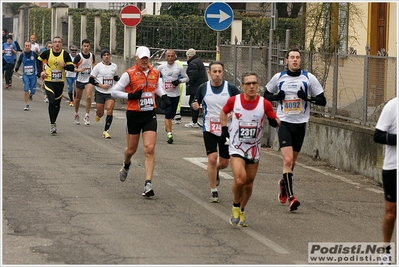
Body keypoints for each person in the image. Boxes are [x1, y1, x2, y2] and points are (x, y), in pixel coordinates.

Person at [264, 48, 327, 212]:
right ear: (286, 60)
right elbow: (266, 95)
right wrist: (277, 97)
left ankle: (283, 184)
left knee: (293, 163)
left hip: (300, 123)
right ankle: (292, 197)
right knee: (287, 161)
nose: (295, 60)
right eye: (292, 57)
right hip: (283, 122)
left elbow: (323, 100)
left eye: (297, 57)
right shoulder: (279, 77)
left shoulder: (308, 77)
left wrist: (307, 97)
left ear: (300, 60)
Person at [220, 71, 280, 226]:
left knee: (248, 183)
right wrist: (224, 128)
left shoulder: (264, 103)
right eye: (248, 84)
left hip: (253, 149)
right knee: (239, 180)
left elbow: (273, 117)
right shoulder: (235, 101)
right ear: (243, 86)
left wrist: (275, 122)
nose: (252, 86)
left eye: (254, 83)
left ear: (258, 85)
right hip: (236, 148)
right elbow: (223, 112)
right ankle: (235, 205)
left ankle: (242, 209)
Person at [111, 46, 170, 197]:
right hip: (134, 114)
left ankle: (148, 184)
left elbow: (157, 87)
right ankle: (126, 164)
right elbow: (114, 91)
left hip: (149, 114)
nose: (144, 61)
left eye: (146, 58)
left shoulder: (155, 73)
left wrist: (163, 96)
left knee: (149, 148)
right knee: (131, 150)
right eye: (141, 58)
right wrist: (130, 96)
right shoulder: (129, 74)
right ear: (136, 58)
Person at [192, 61, 241, 203]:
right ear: (209, 73)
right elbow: (196, 102)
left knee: (224, 162)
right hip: (210, 128)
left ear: (223, 73)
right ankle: (214, 190)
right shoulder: (203, 88)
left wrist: (234, 112)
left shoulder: (230, 88)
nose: (217, 74)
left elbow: (240, 103)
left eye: (220, 71)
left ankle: (216, 171)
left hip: (227, 129)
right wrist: (195, 106)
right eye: (214, 71)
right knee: (212, 158)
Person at [373, 97, 397, 265]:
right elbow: (378, 135)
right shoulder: (393, 106)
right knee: (391, 213)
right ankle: (386, 251)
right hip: (393, 167)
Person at [37, 36, 74, 134]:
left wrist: (65, 66)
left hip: (60, 82)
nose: (57, 44)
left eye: (59, 42)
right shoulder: (47, 53)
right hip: (49, 80)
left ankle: (54, 122)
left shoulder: (65, 54)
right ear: (52, 44)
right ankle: (52, 123)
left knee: (57, 105)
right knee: (52, 102)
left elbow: (72, 67)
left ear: (61, 44)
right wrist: (40, 72)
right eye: (55, 42)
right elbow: (38, 60)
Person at [157, 49, 189, 143]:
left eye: (172, 56)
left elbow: (186, 78)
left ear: (175, 57)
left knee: (172, 114)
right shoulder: (161, 67)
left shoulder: (178, 68)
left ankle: (167, 125)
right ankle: (169, 134)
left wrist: (179, 81)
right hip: (165, 94)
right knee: (167, 113)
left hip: (176, 94)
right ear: (166, 57)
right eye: (168, 56)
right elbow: (154, 76)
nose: (170, 58)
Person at [89, 49, 119, 139]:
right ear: (102, 57)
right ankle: (98, 114)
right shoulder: (98, 67)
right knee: (101, 113)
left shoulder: (114, 66)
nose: (106, 56)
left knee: (110, 109)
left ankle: (106, 131)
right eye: (105, 55)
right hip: (100, 91)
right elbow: (91, 80)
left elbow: (115, 77)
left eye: (108, 55)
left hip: (110, 91)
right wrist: (101, 85)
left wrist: (121, 79)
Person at [73, 39, 96, 126]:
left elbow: (94, 64)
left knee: (89, 97)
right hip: (79, 79)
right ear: (82, 46)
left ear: (89, 46)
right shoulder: (78, 57)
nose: (86, 48)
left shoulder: (92, 56)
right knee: (78, 98)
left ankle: (87, 116)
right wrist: (79, 69)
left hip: (88, 80)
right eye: (84, 46)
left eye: (87, 46)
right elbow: (73, 68)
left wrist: (95, 71)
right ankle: (76, 113)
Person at [184, 48, 207, 128]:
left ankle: (194, 121)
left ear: (189, 56)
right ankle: (195, 121)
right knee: (195, 103)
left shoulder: (193, 63)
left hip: (195, 87)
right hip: (199, 86)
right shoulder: (198, 61)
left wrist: (189, 83)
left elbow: (193, 76)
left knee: (193, 103)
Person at [14, 41, 39, 111]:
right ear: (24, 46)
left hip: (33, 75)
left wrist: (39, 71)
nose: (27, 47)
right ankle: (27, 104)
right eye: (26, 46)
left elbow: (39, 62)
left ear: (30, 47)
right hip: (25, 75)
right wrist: (16, 68)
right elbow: (19, 62)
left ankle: (31, 94)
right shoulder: (22, 55)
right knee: (26, 89)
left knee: (33, 90)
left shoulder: (34, 54)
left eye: (28, 46)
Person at [172, 59, 185, 125]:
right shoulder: (180, 63)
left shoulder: (175, 64)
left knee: (175, 100)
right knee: (179, 100)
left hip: (176, 84)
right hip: (181, 83)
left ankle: (176, 117)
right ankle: (177, 116)